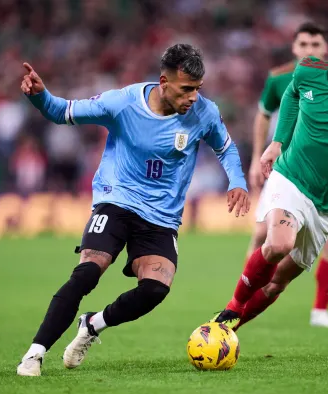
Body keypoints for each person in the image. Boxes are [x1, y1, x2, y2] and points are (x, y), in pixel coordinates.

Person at [17, 44, 250, 376]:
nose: (193, 98)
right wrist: (40, 96)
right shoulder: (122, 103)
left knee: (155, 289)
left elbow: (225, 147)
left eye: (197, 89)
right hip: (117, 200)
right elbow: (62, 111)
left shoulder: (204, 112)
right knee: (86, 273)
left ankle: (93, 324)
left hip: (161, 217)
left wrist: (237, 181)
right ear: (163, 82)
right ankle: (35, 354)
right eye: (186, 90)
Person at [212, 16, 328, 332]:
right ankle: (230, 311)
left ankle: (225, 331)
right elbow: (291, 95)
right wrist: (276, 144)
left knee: (276, 285)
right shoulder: (309, 71)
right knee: (277, 244)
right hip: (291, 177)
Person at [248, 21, 328, 328]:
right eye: (303, 45)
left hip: (327, 175)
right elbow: (263, 115)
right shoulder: (279, 79)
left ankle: (320, 311)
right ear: (294, 48)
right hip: (285, 170)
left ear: (326, 49)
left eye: (315, 45)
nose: (309, 50)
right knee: (262, 235)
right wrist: (255, 159)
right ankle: (247, 295)